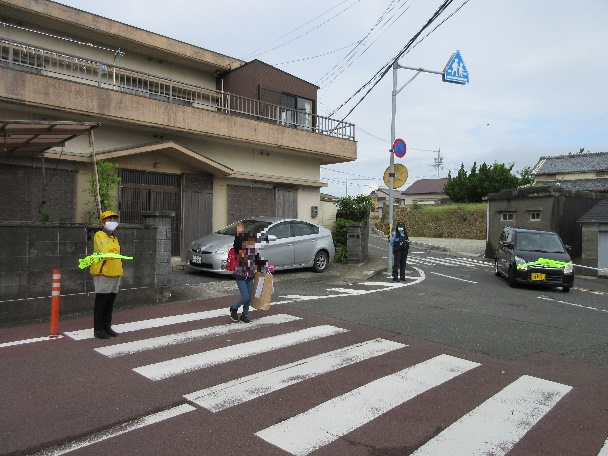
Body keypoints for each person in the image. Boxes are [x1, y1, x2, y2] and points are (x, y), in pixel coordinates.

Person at [90, 210, 123, 339]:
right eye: (109, 220)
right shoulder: (99, 235)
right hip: (103, 273)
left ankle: (107, 326)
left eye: (114, 220)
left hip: (115, 273)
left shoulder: (114, 237)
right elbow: (105, 250)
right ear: (103, 223)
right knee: (101, 302)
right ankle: (98, 329)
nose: (113, 222)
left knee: (110, 302)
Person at [229, 228, 267, 323]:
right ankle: (234, 308)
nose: (251, 243)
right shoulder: (240, 249)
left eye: (253, 242)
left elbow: (258, 261)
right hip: (240, 276)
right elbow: (236, 243)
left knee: (249, 297)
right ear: (244, 241)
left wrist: (266, 264)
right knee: (245, 296)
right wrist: (238, 233)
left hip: (250, 277)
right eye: (249, 241)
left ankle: (244, 315)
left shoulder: (254, 251)